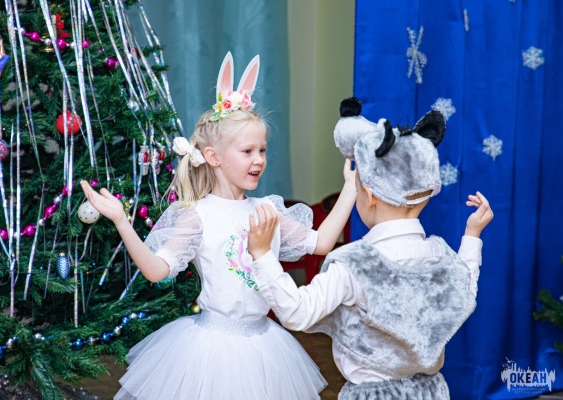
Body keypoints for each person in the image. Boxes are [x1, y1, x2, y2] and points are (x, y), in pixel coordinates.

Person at [80, 52, 356, 400]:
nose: (259, 160)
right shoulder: (198, 215)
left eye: (262, 150)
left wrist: (351, 187)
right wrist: (122, 221)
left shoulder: (268, 210)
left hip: (265, 347)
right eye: (247, 151)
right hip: (211, 351)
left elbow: (322, 242)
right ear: (214, 157)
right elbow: (155, 270)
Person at [247, 105, 494, 399]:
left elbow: (298, 312)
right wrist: (472, 236)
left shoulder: (355, 264)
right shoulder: (440, 256)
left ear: (370, 196)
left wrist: (262, 254)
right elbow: (465, 290)